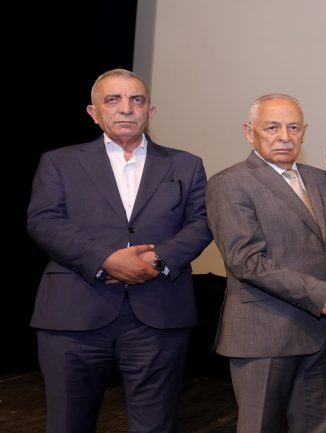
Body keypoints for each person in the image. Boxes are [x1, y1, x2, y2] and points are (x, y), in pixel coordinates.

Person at [27, 68, 212, 433]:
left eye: (136, 100)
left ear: (150, 112)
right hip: (73, 316)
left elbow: (203, 222)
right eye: (113, 100)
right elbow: (44, 221)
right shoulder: (59, 162)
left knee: (155, 426)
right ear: (93, 113)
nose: (126, 108)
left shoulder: (186, 164)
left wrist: (157, 260)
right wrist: (104, 260)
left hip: (159, 315)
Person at [206, 94, 326, 433]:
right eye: (272, 128)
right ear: (250, 132)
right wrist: (319, 293)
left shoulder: (323, 179)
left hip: (324, 334)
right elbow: (246, 261)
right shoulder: (229, 182)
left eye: (294, 128)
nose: (285, 137)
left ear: (305, 132)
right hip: (265, 333)